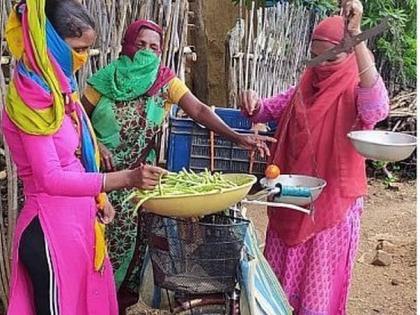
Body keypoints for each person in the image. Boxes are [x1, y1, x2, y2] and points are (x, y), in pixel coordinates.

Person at [81, 19, 276, 310]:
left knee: (132, 249)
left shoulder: (165, 81)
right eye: (140, 44)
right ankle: (91, 303)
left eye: (154, 47)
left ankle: (117, 305)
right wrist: (98, 145)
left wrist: (238, 137)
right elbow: (77, 121)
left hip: (139, 183)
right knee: (97, 248)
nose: (146, 51)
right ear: (127, 46)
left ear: (161, 52)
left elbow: (198, 109)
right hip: (99, 181)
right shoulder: (104, 80)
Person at [2, 1, 167, 314]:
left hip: (79, 227)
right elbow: (49, 177)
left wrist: (98, 199)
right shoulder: (30, 96)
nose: (82, 58)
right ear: (49, 39)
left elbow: (76, 154)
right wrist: (126, 178)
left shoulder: (59, 89)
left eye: (88, 50)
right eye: (78, 48)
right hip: (51, 233)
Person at [239, 1, 389, 314]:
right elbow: (265, 109)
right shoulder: (303, 88)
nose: (322, 65)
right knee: (280, 288)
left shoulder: (356, 87)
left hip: (332, 205)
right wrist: (252, 101)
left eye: (331, 56)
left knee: (317, 293)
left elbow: (376, 109)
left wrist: (356, 33)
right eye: (317, 55)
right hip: (292, 197)